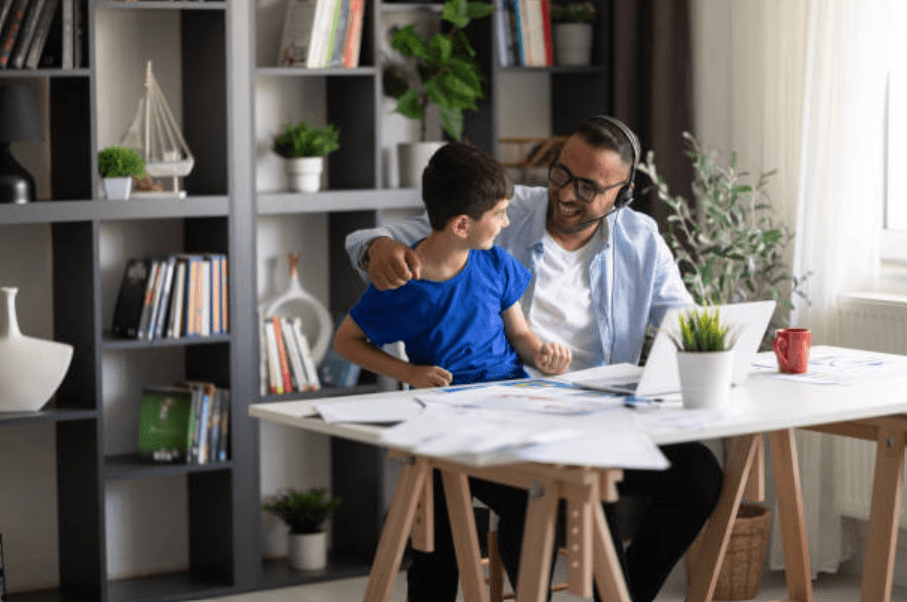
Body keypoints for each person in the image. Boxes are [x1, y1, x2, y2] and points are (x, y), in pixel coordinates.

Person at [345, 115, 724, 602]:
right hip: (503, 413)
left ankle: (631, 590)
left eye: (587, 188)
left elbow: (687, 324)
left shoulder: (641, 239)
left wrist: (718, 354)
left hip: (599, 416)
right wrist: (379, 247)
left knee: (698, 475)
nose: (565, 194)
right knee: (561, 489)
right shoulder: (500, 210)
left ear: (621, 194)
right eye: (561, 174)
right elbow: (380, 237)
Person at [334, 140, 572, 602]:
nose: (506, 223)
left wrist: (540, 352)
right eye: (500, 214)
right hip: (448, 429)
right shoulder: (404, 285)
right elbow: (347, 341)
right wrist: (410, 371)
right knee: (437, 539)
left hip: (509, 415)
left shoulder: (496, 264)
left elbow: (520, 334)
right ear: (463, 224)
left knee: (537, 504)